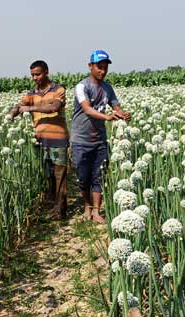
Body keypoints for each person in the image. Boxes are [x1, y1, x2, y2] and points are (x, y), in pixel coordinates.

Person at [72, 50, 130, 223]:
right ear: (90, 66)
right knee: (83, 178)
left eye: (105, 68)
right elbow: (87, 108)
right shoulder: (82, 86)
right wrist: (107, 117)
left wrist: (123, 114)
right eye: (99, 67)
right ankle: (88, 205)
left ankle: (96, 211)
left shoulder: (107, 88)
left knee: (99, 176)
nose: (102, 71)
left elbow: (115, 106)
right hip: (81, 139)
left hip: (99, 139)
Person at [10, 60, 69, 218]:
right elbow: (19, 104)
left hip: (58, 139)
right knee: (48, 175)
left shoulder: (58, 90)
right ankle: (54, 206)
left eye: (38, 74)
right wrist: (13, 112)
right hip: (40, 140)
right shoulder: (32, 93)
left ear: (46, 72)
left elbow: (54, 107)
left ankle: (60, 210)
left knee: (59, 175)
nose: (35, 77)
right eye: (33, 75)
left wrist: (29, 108)